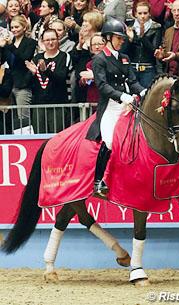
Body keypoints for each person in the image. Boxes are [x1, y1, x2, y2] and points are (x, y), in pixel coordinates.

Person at [85, 17, 146, 198]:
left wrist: (143, 93)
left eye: (122, 38)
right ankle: (98, 182)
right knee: (110, 141)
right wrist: (122, 96)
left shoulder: (125, 58)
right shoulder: (99, 59)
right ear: (109, 37)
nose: (121, 41)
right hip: (111, 106)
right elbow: (102, 86)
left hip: (127, 104)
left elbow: (132, 81)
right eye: (118, 38)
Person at [25, 28, 70, 133]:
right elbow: (26, 83)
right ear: (42, 42)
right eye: (47, 40)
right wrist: (32, 73)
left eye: (53, 39)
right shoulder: (37, 57)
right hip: (39, 105)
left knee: (56, 137)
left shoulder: (64, 56)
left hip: (58, 105)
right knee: (39, 138)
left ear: (58, 40)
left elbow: (61, 78)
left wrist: (46, 71)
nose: (50, 42)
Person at [2, 15, 37, 121]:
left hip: (23, 84)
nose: (14, 30)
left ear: (24, 27)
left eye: (17, 27)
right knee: (13, 118)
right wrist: (2, 47)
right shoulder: (9, 43)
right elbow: (3, 60)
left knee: (23, 118)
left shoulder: (30, 42)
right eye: (12, 27)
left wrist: (10, 46)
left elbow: (24, 59)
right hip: (9, 84)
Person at [126, 1, 162, 87]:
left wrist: (142, 37)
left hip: (148, 68)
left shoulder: (156, 27)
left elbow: (154, 50)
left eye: (145, 13)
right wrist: (130, 39)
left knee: (146, 97)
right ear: (135, 14)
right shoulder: (129, 26)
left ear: (149, 14)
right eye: (140, 13)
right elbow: (124, 50)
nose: (142, 16)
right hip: (132, 68)